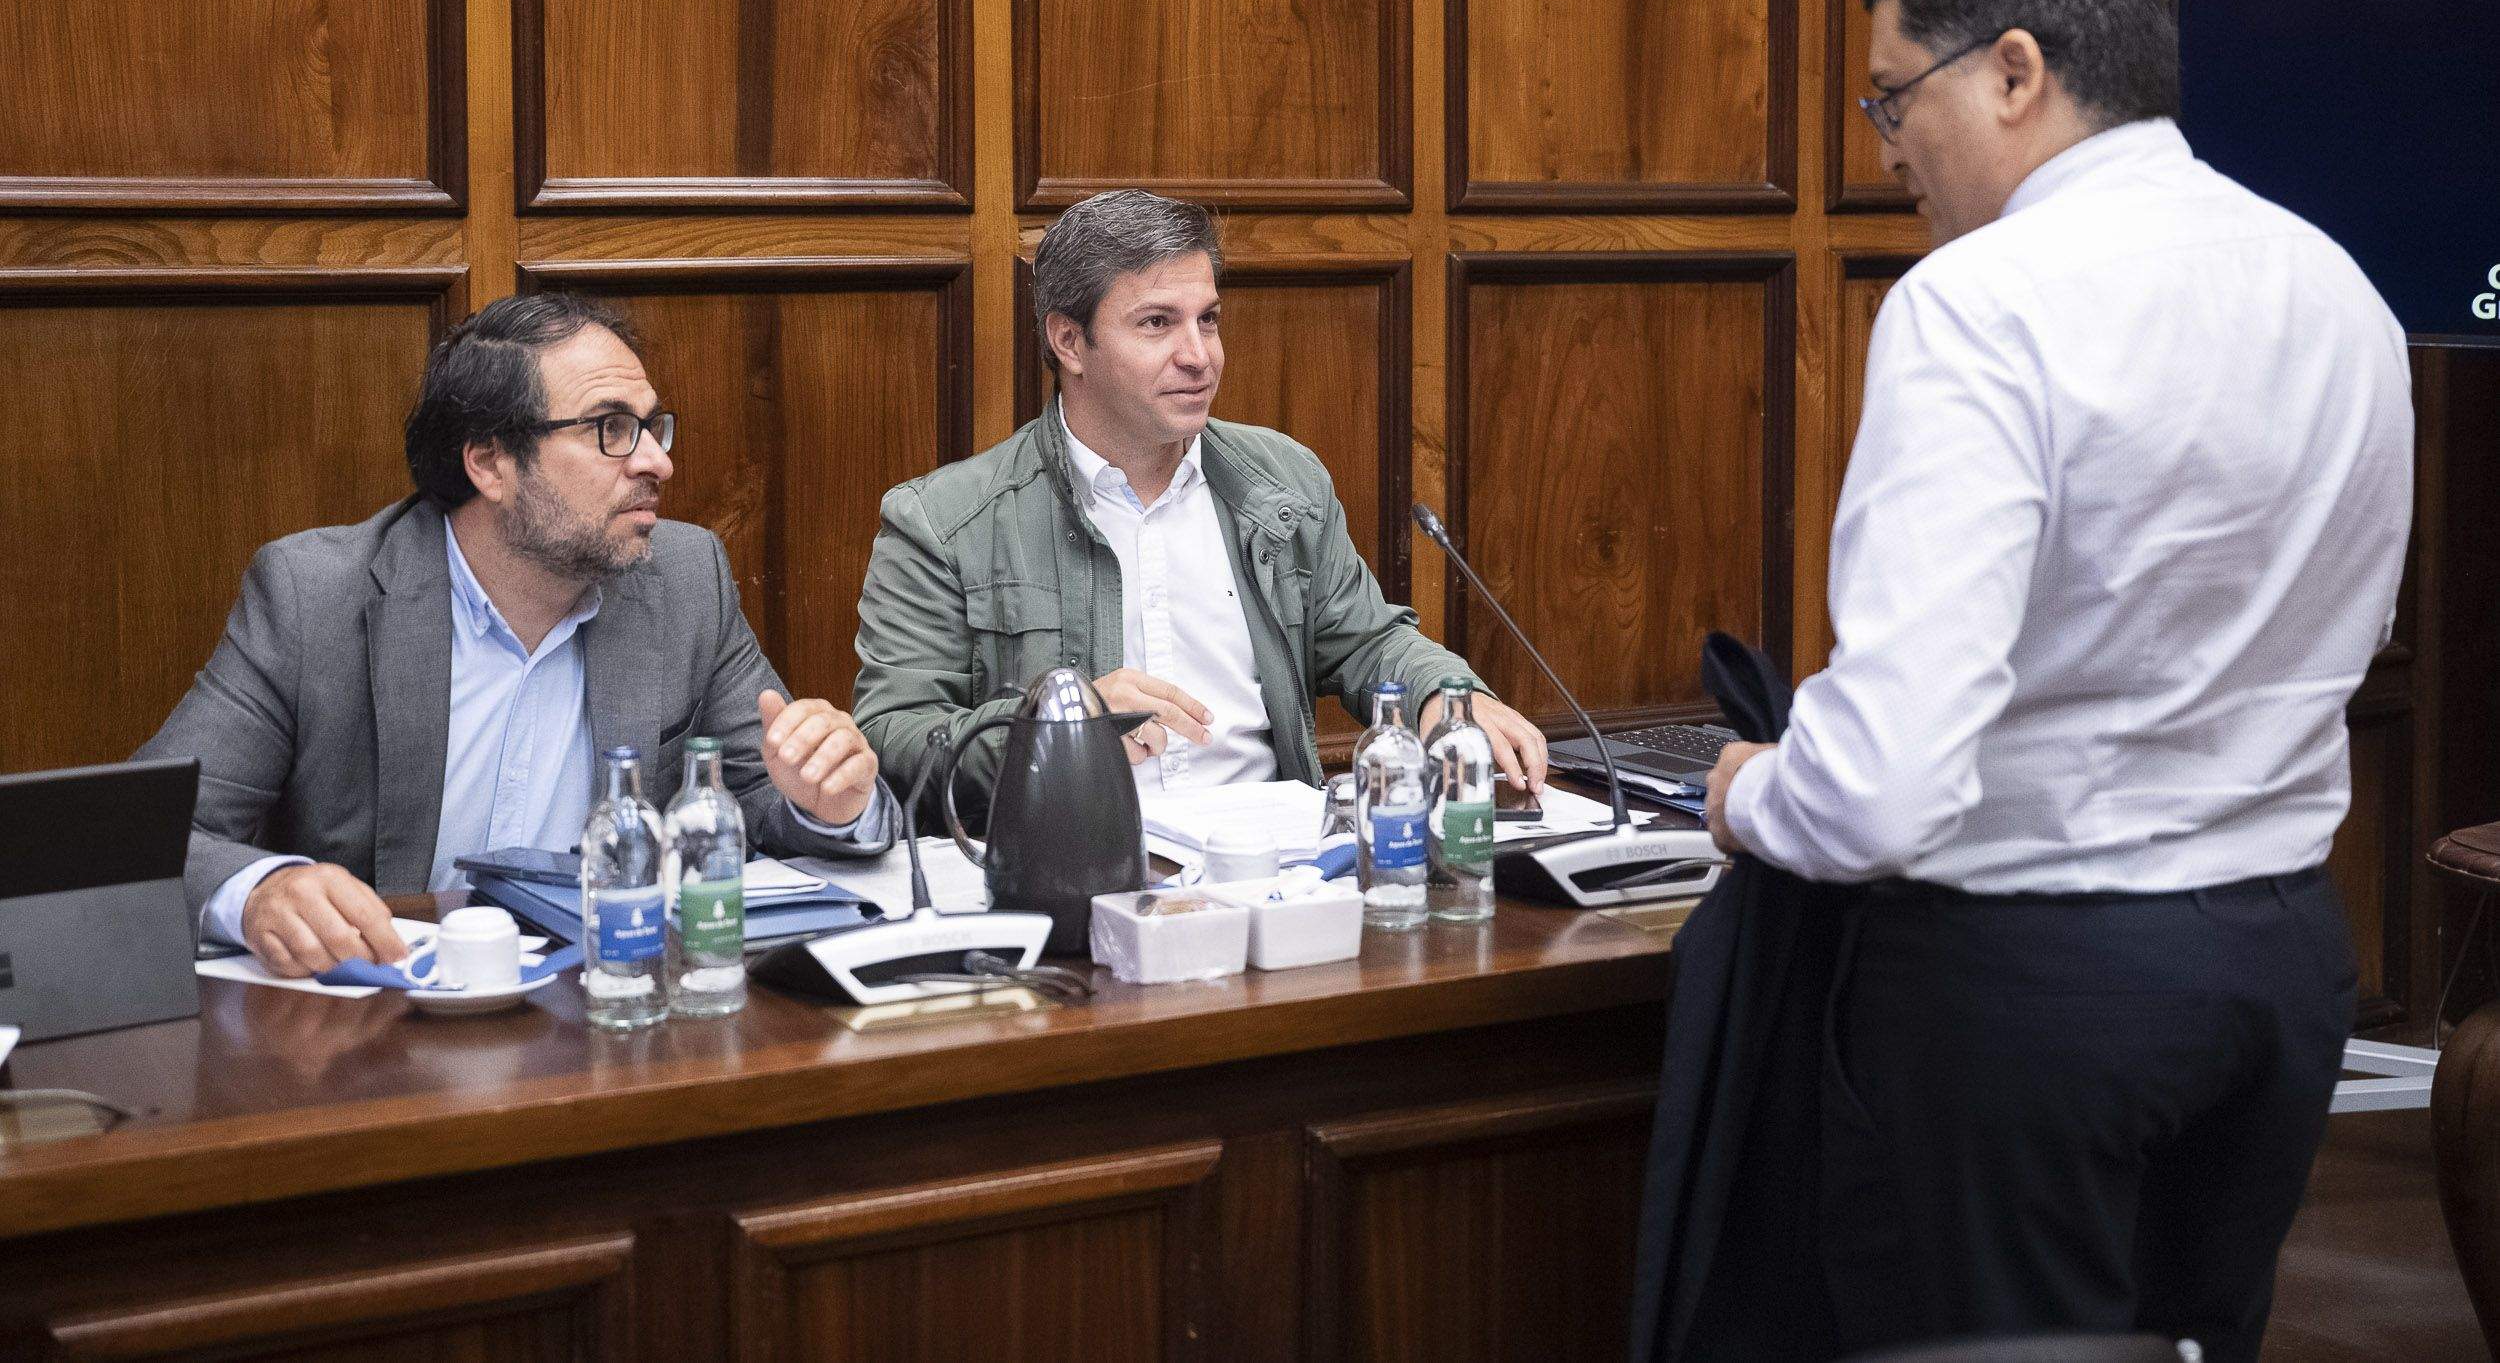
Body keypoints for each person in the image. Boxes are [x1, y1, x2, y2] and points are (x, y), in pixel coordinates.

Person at [1695, 0, 2413, 1360]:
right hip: (2282, 956)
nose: (1888, 151)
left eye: (1895, 100)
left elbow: (1882, 789)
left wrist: (1755, 789)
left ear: (2015, 70)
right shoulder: (2332, 279)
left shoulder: (1982, 302)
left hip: (2034, 986)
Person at [145, 294, 896, 978]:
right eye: (612, 429)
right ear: (489, 462)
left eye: (652, 426)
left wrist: (829, 799)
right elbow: (150, 839)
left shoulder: (684, 577)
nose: (658, 461)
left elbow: (762, 795)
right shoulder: (316, 598)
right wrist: (259, 891)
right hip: (376, 1024)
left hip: (608, 1011)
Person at [852, 187, 1548, 810]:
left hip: (1276, 869)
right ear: (1070, 340)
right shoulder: (943, 523)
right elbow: (895, 740)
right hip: (1077, 875)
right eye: (1158, 323)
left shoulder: (1283, 481)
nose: (1200, 355)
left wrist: (1446, 699)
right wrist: (1055, 731)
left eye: (1208, 319)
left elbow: (1372, 641)